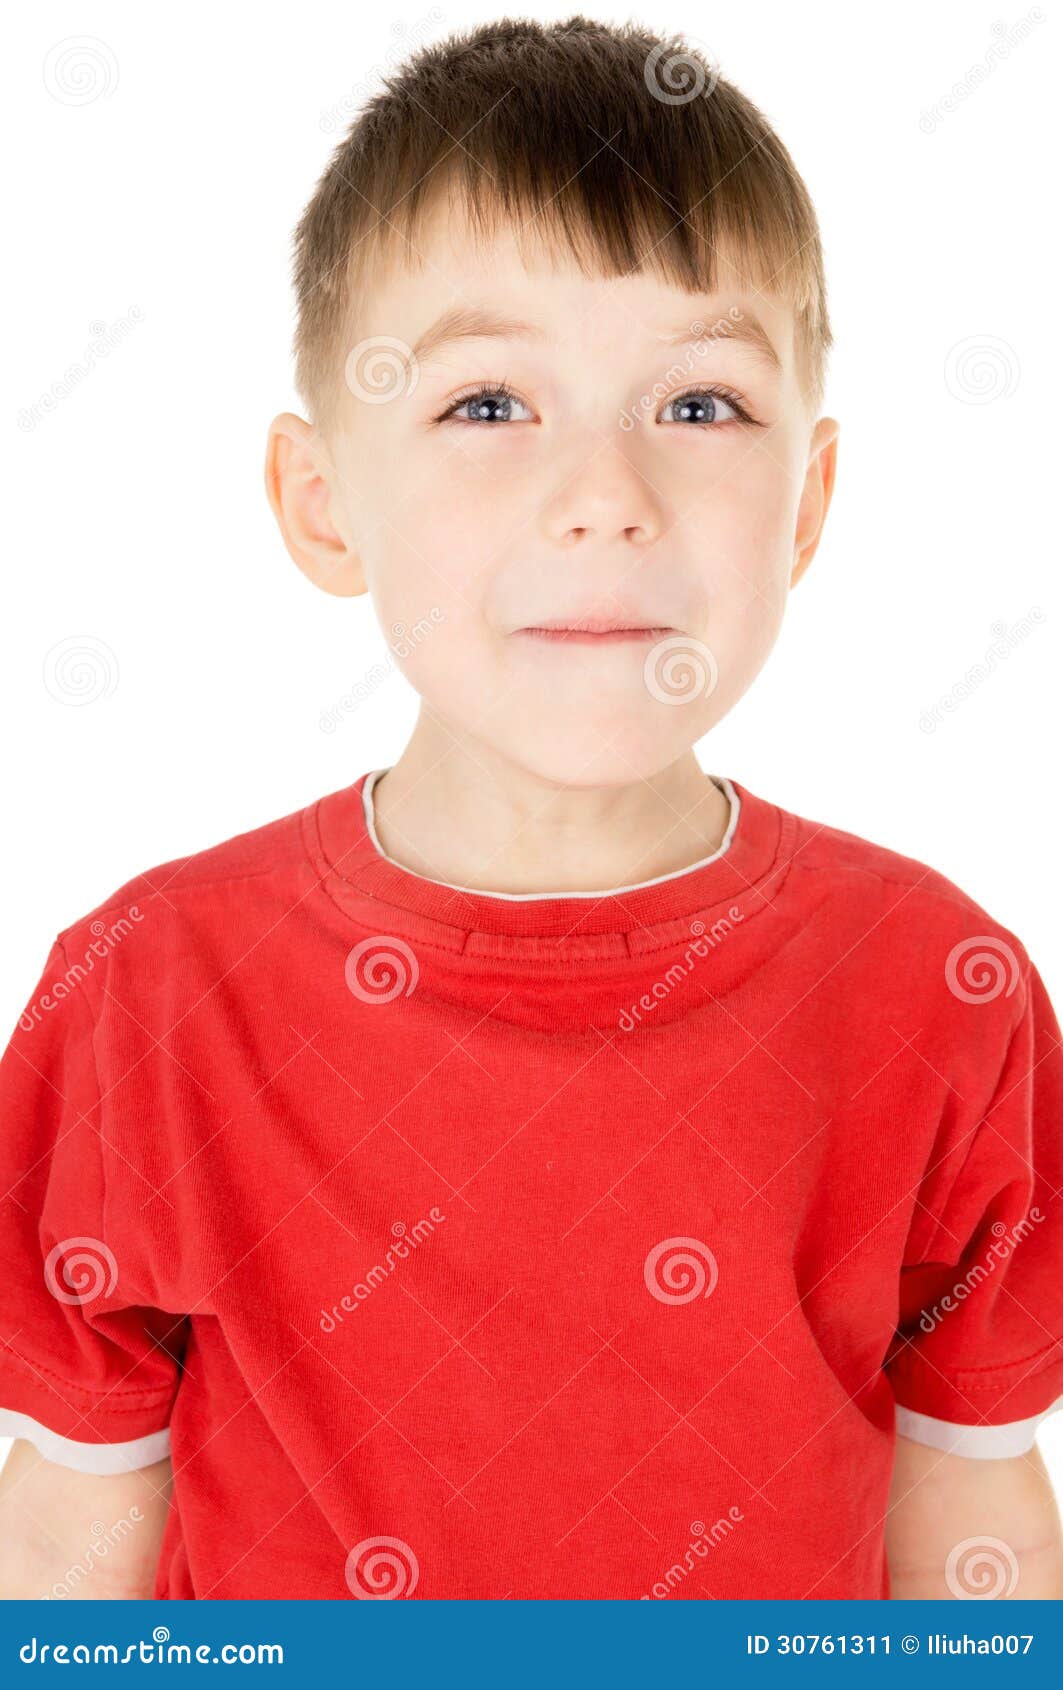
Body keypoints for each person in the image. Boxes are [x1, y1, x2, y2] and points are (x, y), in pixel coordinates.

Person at [2, 16, 1061, 1601]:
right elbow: (76, 1533)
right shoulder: (149, 992)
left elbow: (970, 1513)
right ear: (319, 502)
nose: (606, 491)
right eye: (489, 404)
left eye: (701, 406)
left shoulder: (940, 991)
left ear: (812, 504)